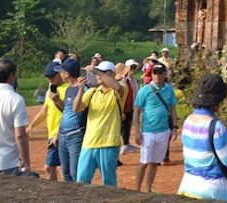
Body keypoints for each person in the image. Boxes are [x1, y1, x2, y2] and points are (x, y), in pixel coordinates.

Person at [178, 73, 227, 200]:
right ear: (217, 102)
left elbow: (207, 148)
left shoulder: (188, 121)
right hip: (212, 191)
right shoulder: (216, 126)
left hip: (188, 186)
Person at [73, 60, 127, 186]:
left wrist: (95, 71)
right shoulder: (92, 92)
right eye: (98, 72)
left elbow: (118, 87)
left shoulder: (119, 89)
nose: (98, 75)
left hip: (109, 143)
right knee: (81, 180)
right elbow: (76, 108)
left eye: (102, 72)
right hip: (89, 143)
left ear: (112, 74)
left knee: (109, 183)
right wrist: (80, 90)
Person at [132, 62, 178, 192]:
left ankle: (147, 188)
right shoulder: (145, 90)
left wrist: (174, 127)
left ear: (164, 74)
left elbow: (172, 109)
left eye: (160, 73)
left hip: (163, 131)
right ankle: (136, 189)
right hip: (148, 131)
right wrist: (136, 131)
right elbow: (137, 110)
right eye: (155, 73)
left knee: (154, 162)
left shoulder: (169, 89)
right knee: (144, 161)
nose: (157, 76)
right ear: (151, 74)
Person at [26, 61, 66, 181]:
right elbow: (44, 111)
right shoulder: (50, 91)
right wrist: (31, 126)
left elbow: (70, 112)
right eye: (47, 77)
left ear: (60, 74)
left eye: (52, 76)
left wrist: (58, 100)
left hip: (61, 134)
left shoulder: (67, 89)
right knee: (57, 167)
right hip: (52, 134)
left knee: (53, 167)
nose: (49, 79)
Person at [57, 58, 86, 182]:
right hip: (63, 135)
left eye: (61, 72)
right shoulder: (68, 89)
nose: (60, 74)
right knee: (66, 173)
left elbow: (77, 109)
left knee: (75, 174)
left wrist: (80, 89)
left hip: (75, 135)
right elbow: (66, 111)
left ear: (67, 73)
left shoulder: (84, 89)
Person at [120, 58, 141, 154]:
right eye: (131, 67)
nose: (133, 69)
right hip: (125, 106)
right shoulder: (124, 80)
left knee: (128, 125)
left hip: (133, 105)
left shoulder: (134, 80)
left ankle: (126, 143)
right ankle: (124, 145)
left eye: (134, 67)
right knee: (124, 126)